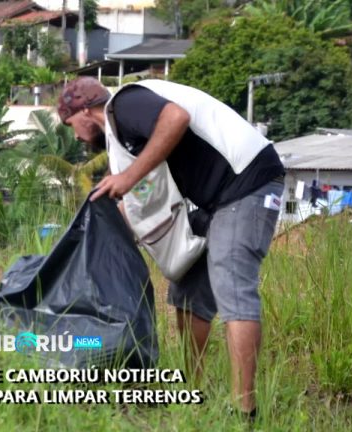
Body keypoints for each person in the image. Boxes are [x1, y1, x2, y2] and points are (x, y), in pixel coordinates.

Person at [57, 77, 285, 420]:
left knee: (233, 287)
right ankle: (195, 391)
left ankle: (245, 412)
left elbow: (175, 118)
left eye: (70, 123)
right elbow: (142, 196)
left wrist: (128, 178)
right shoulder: (124, 138)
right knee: (188, 291)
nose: (74, 135)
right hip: (215, 200)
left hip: (247, 182)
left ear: (84, 110)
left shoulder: (125, 103)